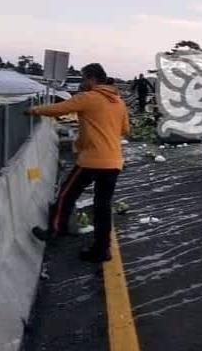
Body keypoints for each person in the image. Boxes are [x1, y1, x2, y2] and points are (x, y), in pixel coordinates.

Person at [29, 63, 130, 263]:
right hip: (114, 162)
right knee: (102, 206)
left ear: (92, 79)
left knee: (67, 194)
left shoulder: (88, 98)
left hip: (92, 161)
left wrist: (34, 110)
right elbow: (125, 130)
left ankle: (56, 231)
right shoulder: (119, 102)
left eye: (83, 79)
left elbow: (58, 108)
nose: (82, 83)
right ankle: (102, 250)